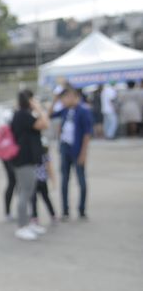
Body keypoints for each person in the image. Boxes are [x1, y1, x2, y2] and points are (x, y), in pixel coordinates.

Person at [10, 90, 49, 241]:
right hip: (23, 160)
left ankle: (28, 222)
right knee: (25, 192)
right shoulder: (23, 115)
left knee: (29, 191)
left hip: (28, 159)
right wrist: (39, 108)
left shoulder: (23, 114)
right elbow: (45, 123)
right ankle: (22, 226)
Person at [52, 86, 93, 221]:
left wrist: (83, 153)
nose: (65, 99)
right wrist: (55, 100)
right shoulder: (64, 110)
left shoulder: (83, 111)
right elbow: (50, 115)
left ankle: (81, 209)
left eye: (67, 97)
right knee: (64, 180)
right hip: (65, 148)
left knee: (81, 180)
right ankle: (65, 210)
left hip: (77, 149)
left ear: (75, 97)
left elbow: (87, 134)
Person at [31, 139, 57, 225]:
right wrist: (53, 181)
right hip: (42, 181)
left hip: (35, 181)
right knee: (46, 198)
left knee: (34, 200)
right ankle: (52, 215)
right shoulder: (45, 156)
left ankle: (35, 217)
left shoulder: (32, 155)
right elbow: (50, 169)